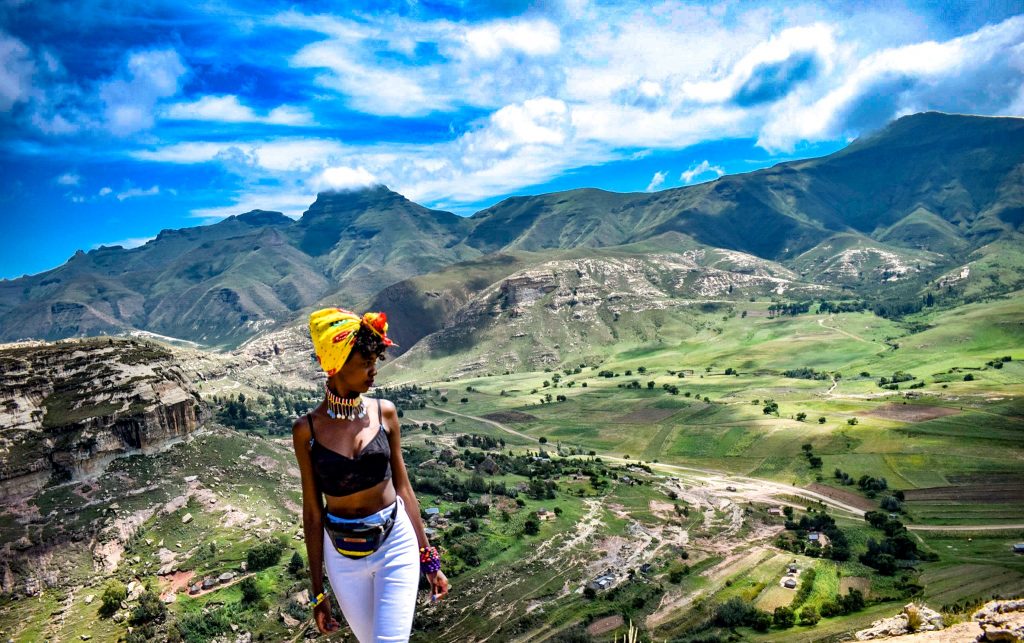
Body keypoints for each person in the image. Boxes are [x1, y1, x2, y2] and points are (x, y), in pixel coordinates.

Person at [292, 307, 449, 641]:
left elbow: (404, 490)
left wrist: (429, 559)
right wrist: (318, 593)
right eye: (365, 363)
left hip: (396, 543)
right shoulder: (306, 431)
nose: (373, 371)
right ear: (335, 366)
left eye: (374, 361)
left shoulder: (385, 413)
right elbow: (312, 513)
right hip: (343, 560)